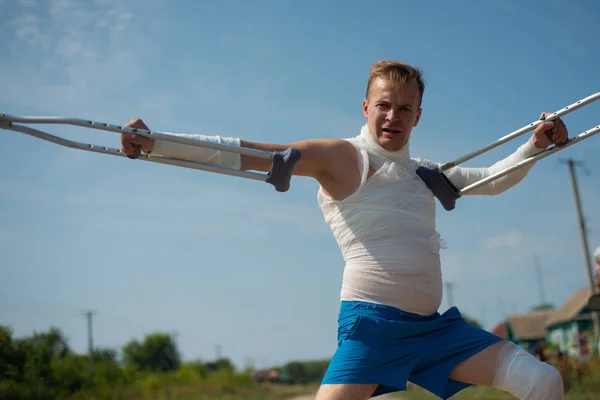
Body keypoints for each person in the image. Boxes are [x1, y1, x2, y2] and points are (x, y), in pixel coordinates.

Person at [121, 60, 569, 399]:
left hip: (434, 332)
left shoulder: (424, 173)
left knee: (543, 380)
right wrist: (156, 143)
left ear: (418, 116)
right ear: (366, 107)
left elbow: (495, 180)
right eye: (384, 106)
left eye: (405, 108)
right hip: (372, 327)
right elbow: (252, 155)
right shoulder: (342, 157)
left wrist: (536, 144)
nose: (393, 116)